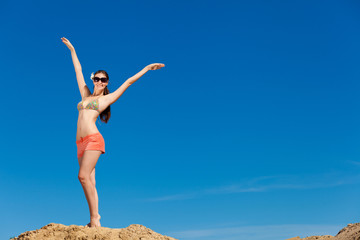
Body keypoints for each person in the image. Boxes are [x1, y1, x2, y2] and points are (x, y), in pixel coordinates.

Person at [61, 37, 165, 227]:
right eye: (97, 78)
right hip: (80, 143)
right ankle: (94, 220)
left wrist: (147, 68)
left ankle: (95, 218)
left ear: (107, 82)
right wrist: (72, 50)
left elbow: (128, 82)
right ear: (93, 80)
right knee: (90, 181)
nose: (100, 81)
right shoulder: (85, 94)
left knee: (82, 176)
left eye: (104, 79)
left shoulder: (106, 99)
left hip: (93, 140)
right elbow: (78, 70)